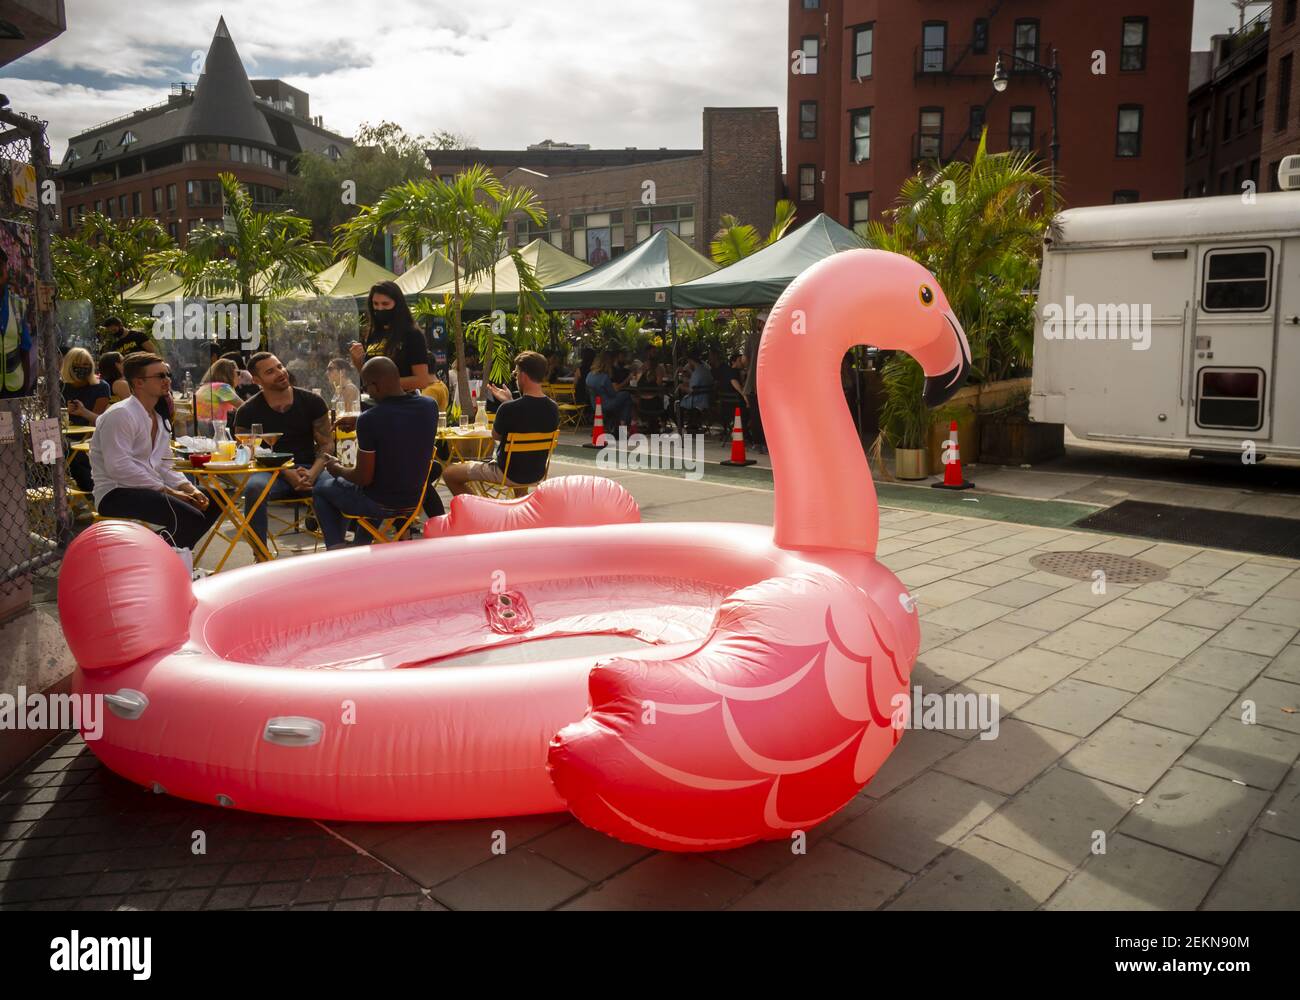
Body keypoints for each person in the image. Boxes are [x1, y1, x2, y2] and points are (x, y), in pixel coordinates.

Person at [89, 352, 219, 550]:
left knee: (215, 500)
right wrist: (169, 491)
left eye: (167, 375)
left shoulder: (159, 417)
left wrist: (187, 488)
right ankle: (149, 559)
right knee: (190, 516)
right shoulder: (120, 414)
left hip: (150, 489)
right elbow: (119, 468)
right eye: (160, 376)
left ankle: (171, 555)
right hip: (116, 492)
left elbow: (164, 463)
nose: (167, 380)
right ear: (139, 382)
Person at [313, 357, 439, 548]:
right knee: (371, 487)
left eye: (366, 387)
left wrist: (335, 467)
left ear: (375, 386)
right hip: (414, 499)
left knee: (322, 490)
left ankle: (335, 549)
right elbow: (399, 421)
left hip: (380, 503)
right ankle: (361, 544)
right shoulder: (429, 407)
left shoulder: (370, 420)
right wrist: (360, 420)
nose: (366, 392)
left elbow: (362, 477)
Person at [232, 352, 333, 551]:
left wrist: (312, 473)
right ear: (256, 380)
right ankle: (260, 554)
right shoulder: (247, 411)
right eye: (270, 371)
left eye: (280, 366)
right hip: (269, 472)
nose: (280, 373)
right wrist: (287, 473)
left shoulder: (312, 401)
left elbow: (327, 445)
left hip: (309, 467)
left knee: (338, 486)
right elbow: (247, 451)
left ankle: (336, 548)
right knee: (254, 489)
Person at [443, 351, 559, 496]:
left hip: (506, 472)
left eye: (516, 374)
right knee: (520, 473)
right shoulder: (553, 408)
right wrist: (510, 401)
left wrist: (509, 403)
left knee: (449, 474)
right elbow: (529, 412)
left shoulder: (508, 409)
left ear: (523, 376)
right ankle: (519, 513)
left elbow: (495, 436)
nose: (515, 378)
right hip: (536, 473)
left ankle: (476, 509)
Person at [349, 282, 432, 393]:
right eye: (375, 304)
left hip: (402, 402)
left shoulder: (412, 334)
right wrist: (358, 361)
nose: (380, 308)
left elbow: (422, 380)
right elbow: (368, 378)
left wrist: (384, 383)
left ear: (397, 304)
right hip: (375, 401)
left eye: (385, 304)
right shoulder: (373, 333)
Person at [61, 348, 112, 492]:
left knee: (74, 455)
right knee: (45, 453)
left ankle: (89, 495)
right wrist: (65, 410)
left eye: (86, 365)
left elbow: (99, 421)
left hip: (88, 438)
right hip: (62, 436)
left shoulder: (100, 387)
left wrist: (83, 412)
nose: (82, 369)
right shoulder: (59, 387)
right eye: (77, 365)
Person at [1, 247, 33, 399]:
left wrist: (26, 386)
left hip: (15, 386)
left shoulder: (17, 304)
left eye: (1, 265)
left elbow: (25, 347)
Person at [585, 351, 632, 429]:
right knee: (626, 396)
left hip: (594, 404)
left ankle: (618, 424)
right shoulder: (604, 377)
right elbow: (612, 394)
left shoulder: (589, 375)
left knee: (623, 402)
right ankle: (623, 424)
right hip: (606, 404)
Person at [193, 358, 242, 433]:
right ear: (229, 373)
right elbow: (244, 407)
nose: (239, 377)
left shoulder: (205, 387)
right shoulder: (221, 387)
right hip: (216, 431)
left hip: (200, 431)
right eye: (238, 373)